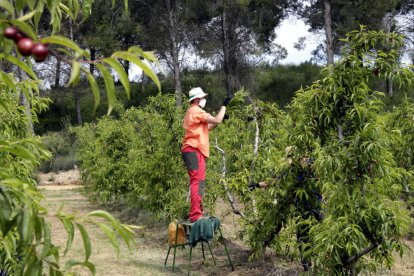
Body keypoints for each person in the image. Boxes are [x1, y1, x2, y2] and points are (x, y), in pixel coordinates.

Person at [181, 87, 232, 222]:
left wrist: (221, 118)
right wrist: (224, 106)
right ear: (197, 99)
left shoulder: (193, 112)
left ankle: (197, 211)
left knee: (200, 182)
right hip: (193, 150)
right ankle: (195, 215)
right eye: (202, 98)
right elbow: (216, 120)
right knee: (197, 182)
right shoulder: (196, 111)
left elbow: (209, 126)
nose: (204, 100)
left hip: (195, 150)